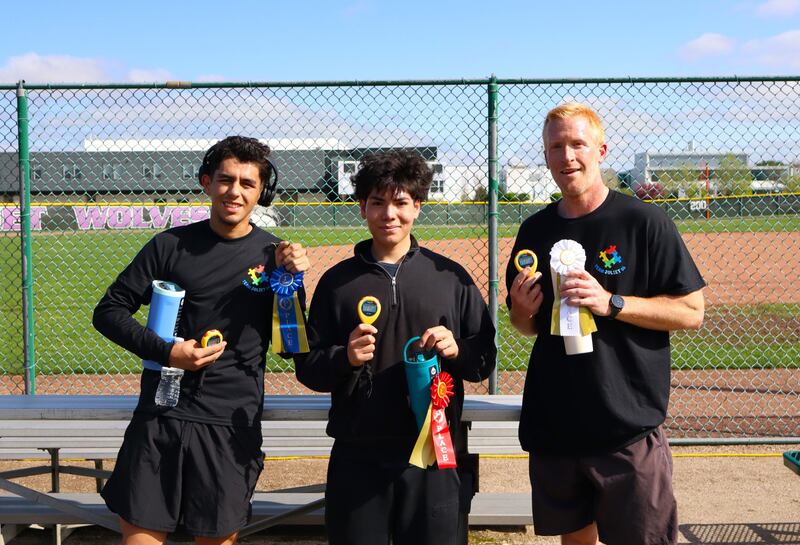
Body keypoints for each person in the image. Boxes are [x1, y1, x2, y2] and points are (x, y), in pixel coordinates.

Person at [505, 103, 706, 545]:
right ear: (545, 155)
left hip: (625, 425)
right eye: (556, 146)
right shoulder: (535, 230)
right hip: (557, 423)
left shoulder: (643, 221)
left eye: (577, 144)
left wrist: (611, 302)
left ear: (601, 149)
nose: (567, 156)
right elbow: (530, 326)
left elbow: (692, 311)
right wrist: (520, 311)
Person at [93, 136, 309, 545]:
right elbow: (108, 312)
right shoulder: (169, 245)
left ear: (262, 191)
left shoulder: (274, 257)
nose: (235, 191)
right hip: (161, 416)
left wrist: (292, 283)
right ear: (207, 183)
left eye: (248, 183)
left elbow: (293, 345)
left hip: (228, 423)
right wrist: (169, 351)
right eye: (226, 180)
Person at [295, 150, 496, 545]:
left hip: (434, 452)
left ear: (417, 207)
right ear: (362, 208)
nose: (390, 214)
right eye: (378, 203)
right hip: (359, 453)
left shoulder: (450, 278)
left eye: (401, 202)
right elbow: (308, 367)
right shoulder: (337, 283)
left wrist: (457, 350)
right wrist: (344, 358)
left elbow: (483, 360)